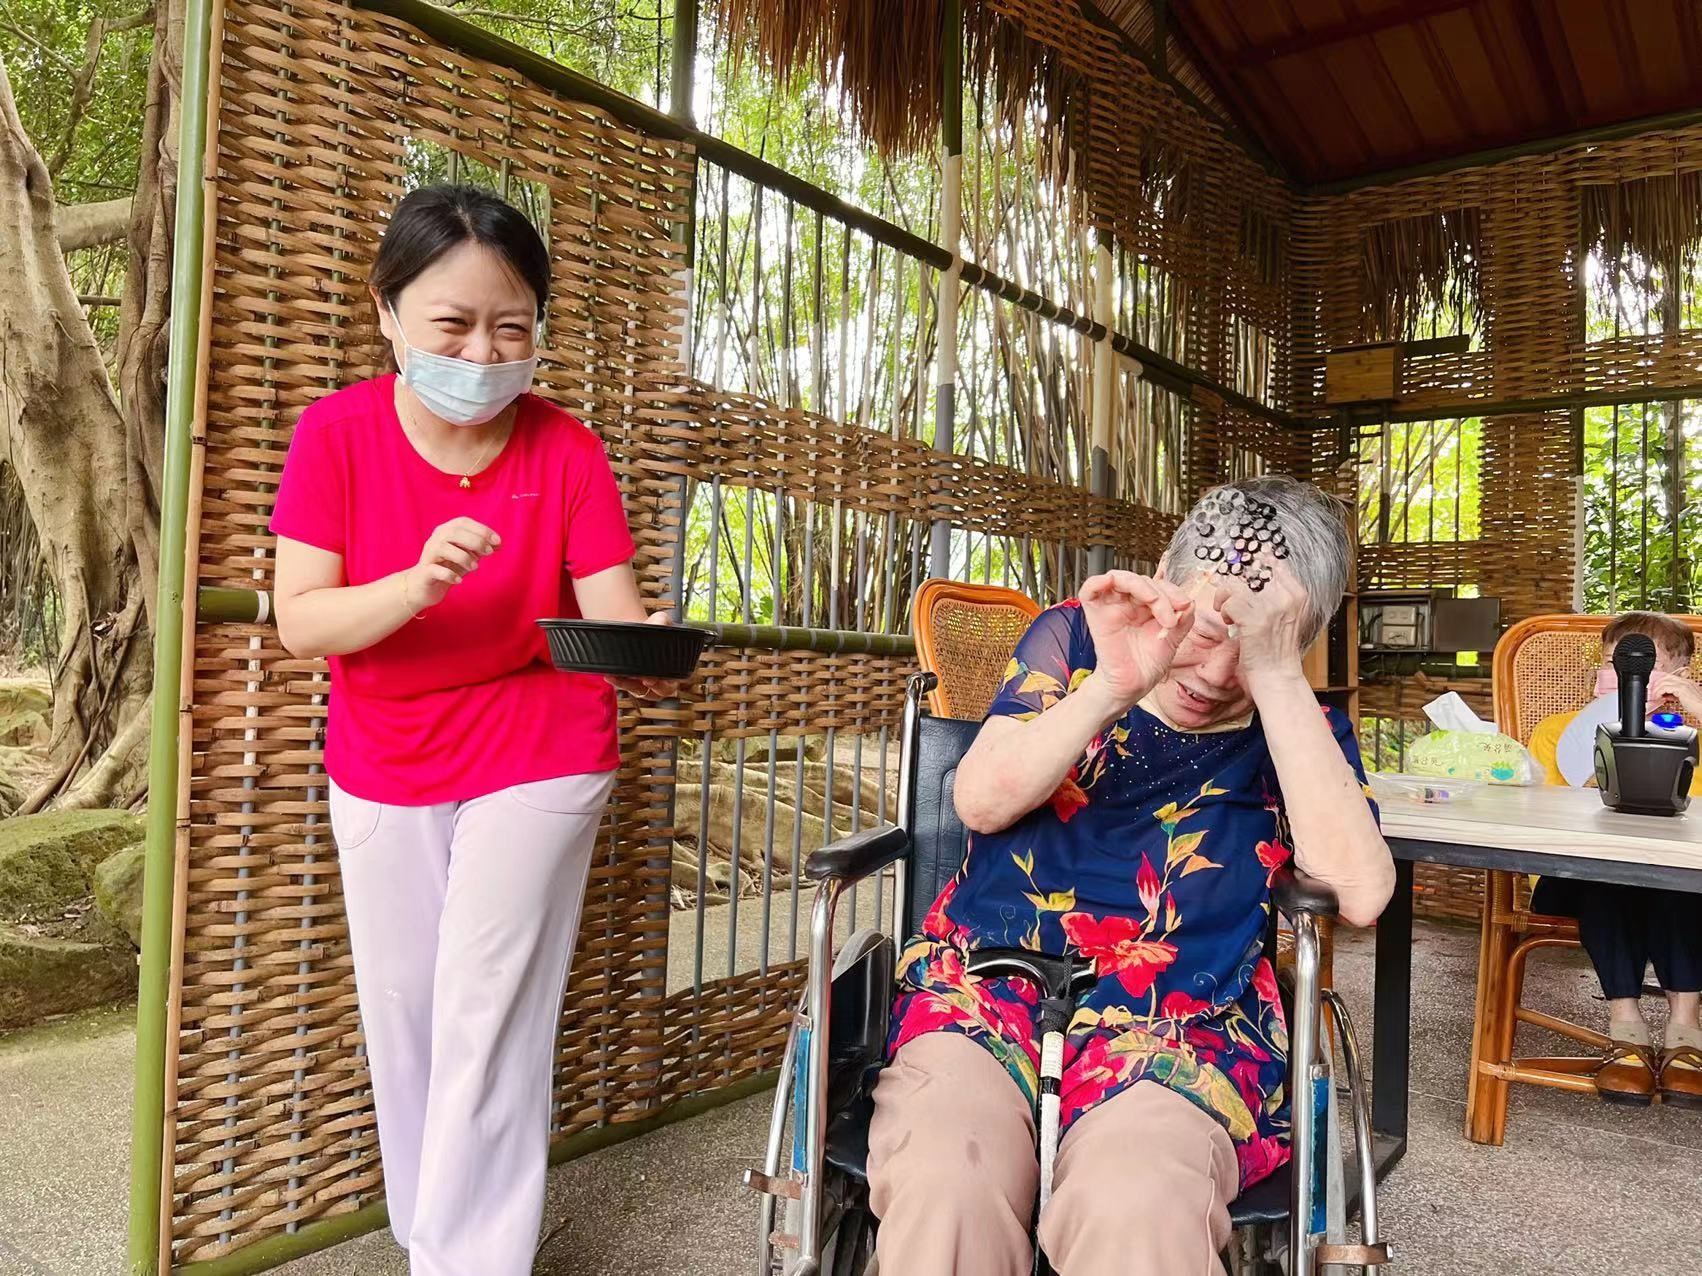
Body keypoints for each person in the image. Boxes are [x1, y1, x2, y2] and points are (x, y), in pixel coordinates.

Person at [269, 184, 671, 1276]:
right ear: (388, 312)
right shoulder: (335, 434)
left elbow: (613, 619)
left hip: (541, 745)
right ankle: (432, 1230)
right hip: (382, 753)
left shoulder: (568, 450)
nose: (484, 350)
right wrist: (413, 585)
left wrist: (650, 641)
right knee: (406, 1009)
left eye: (513, 325)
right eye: (453, 324)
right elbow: (303, 620)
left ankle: (468, 1262)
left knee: (490, 1008)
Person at [867, 476, 1394, 1276]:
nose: (1216, 673)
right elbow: (978, 801)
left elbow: (1360, 895)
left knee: (1137, 1206)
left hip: (1185, 1032)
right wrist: (1113, 687)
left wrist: (1278, 678)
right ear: (1166, 581)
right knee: (946, 1184)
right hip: (985, 994)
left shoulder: (1300, 726)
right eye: (1202, 630)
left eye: (1248, 647)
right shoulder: (1076, 643)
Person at [1527, 611, 1702, 1108]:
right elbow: (1551, 808)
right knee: (1606, 869)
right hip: (1577, 875)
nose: (1628, 676)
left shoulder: (1692, 736)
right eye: (1614, 663)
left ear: (1680, 676)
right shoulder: (1560, 731)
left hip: (1676, 878)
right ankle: (1625, 1026)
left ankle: (1685, 1031)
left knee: (1679, 876)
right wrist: (1608, 739)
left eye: (1647, 666)